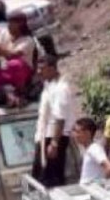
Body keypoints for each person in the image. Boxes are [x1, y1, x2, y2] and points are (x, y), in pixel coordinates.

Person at [32, 55, 76, 188]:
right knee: (40, 179)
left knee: (51, 181)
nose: (39, 72)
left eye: (42, 69)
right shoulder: (49, 85)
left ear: (52, 68)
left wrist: (54, 143)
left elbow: (60, 118)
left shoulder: (61, 89)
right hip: (45, 136)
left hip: (54, 137)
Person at [73, 117, 110, 184]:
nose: (75, 135)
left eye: (78, 132)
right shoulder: (89, 149)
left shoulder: (94, 149)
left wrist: (101, 184)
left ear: (87, 133)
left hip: (91, 189)